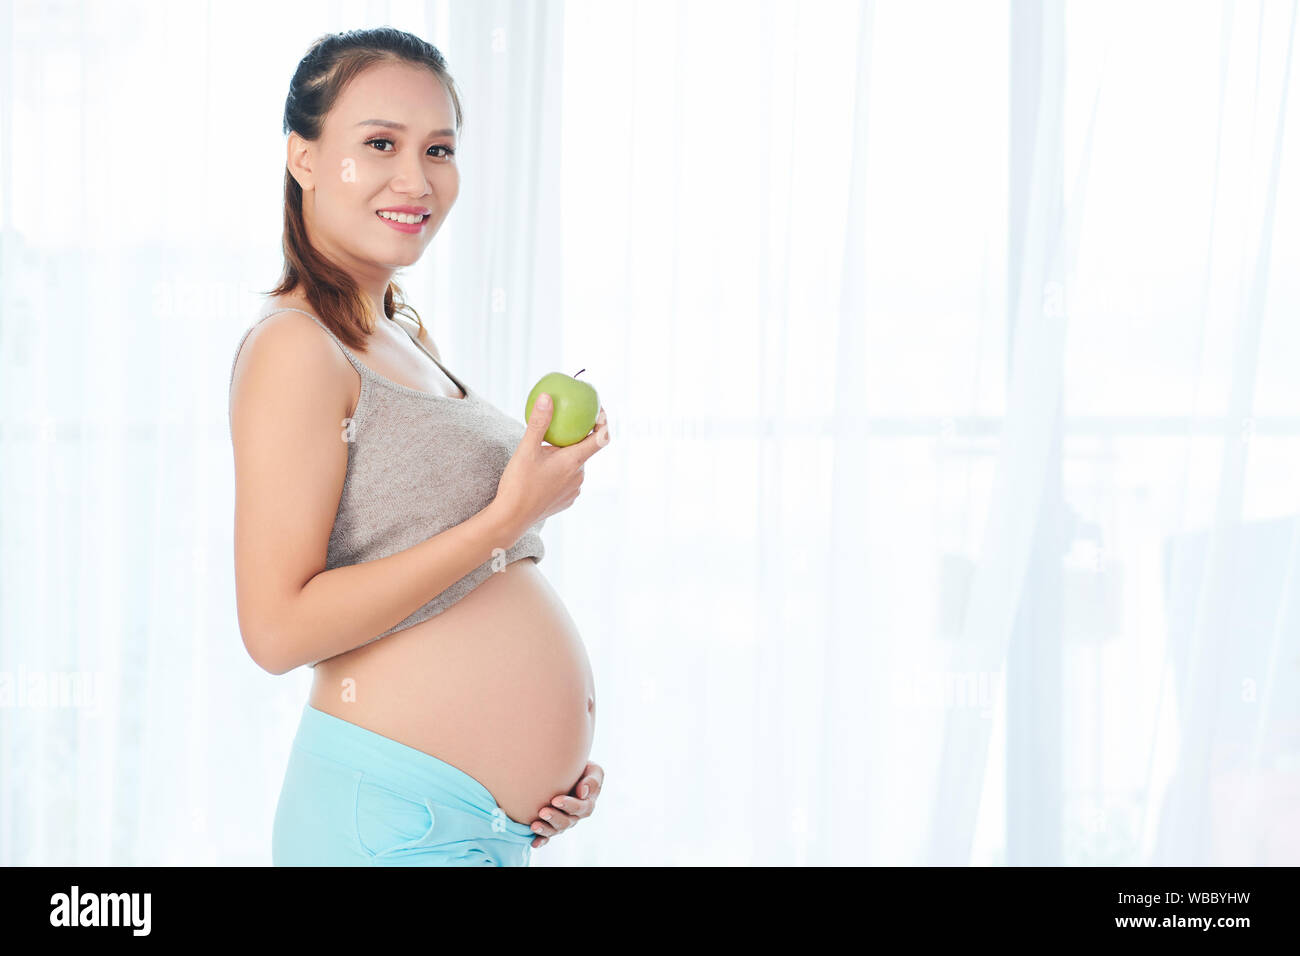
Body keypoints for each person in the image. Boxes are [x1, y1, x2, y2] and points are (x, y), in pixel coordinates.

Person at [227, 27, 609, 865]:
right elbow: (277, 629)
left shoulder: (395, 329)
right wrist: (508, 517)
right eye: (379, 144)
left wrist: (544, 771)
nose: (417, 178)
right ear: (304, 157)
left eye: (439, 148)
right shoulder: (297, 346)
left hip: (473, 827)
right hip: (392, 825)